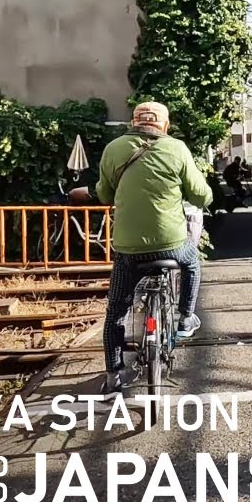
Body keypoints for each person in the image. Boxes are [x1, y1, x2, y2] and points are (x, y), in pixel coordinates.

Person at [70, 101, 213, 393]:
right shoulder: (177, 149)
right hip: (171, 244)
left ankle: (114, 374)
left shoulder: (114, 149)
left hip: (129, 248)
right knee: (191, 261)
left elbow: (104, 194)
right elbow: (201, 196)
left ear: (134, 123)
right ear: (165, 125)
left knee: (116, 311)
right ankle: (186, 317)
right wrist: (204, 195)